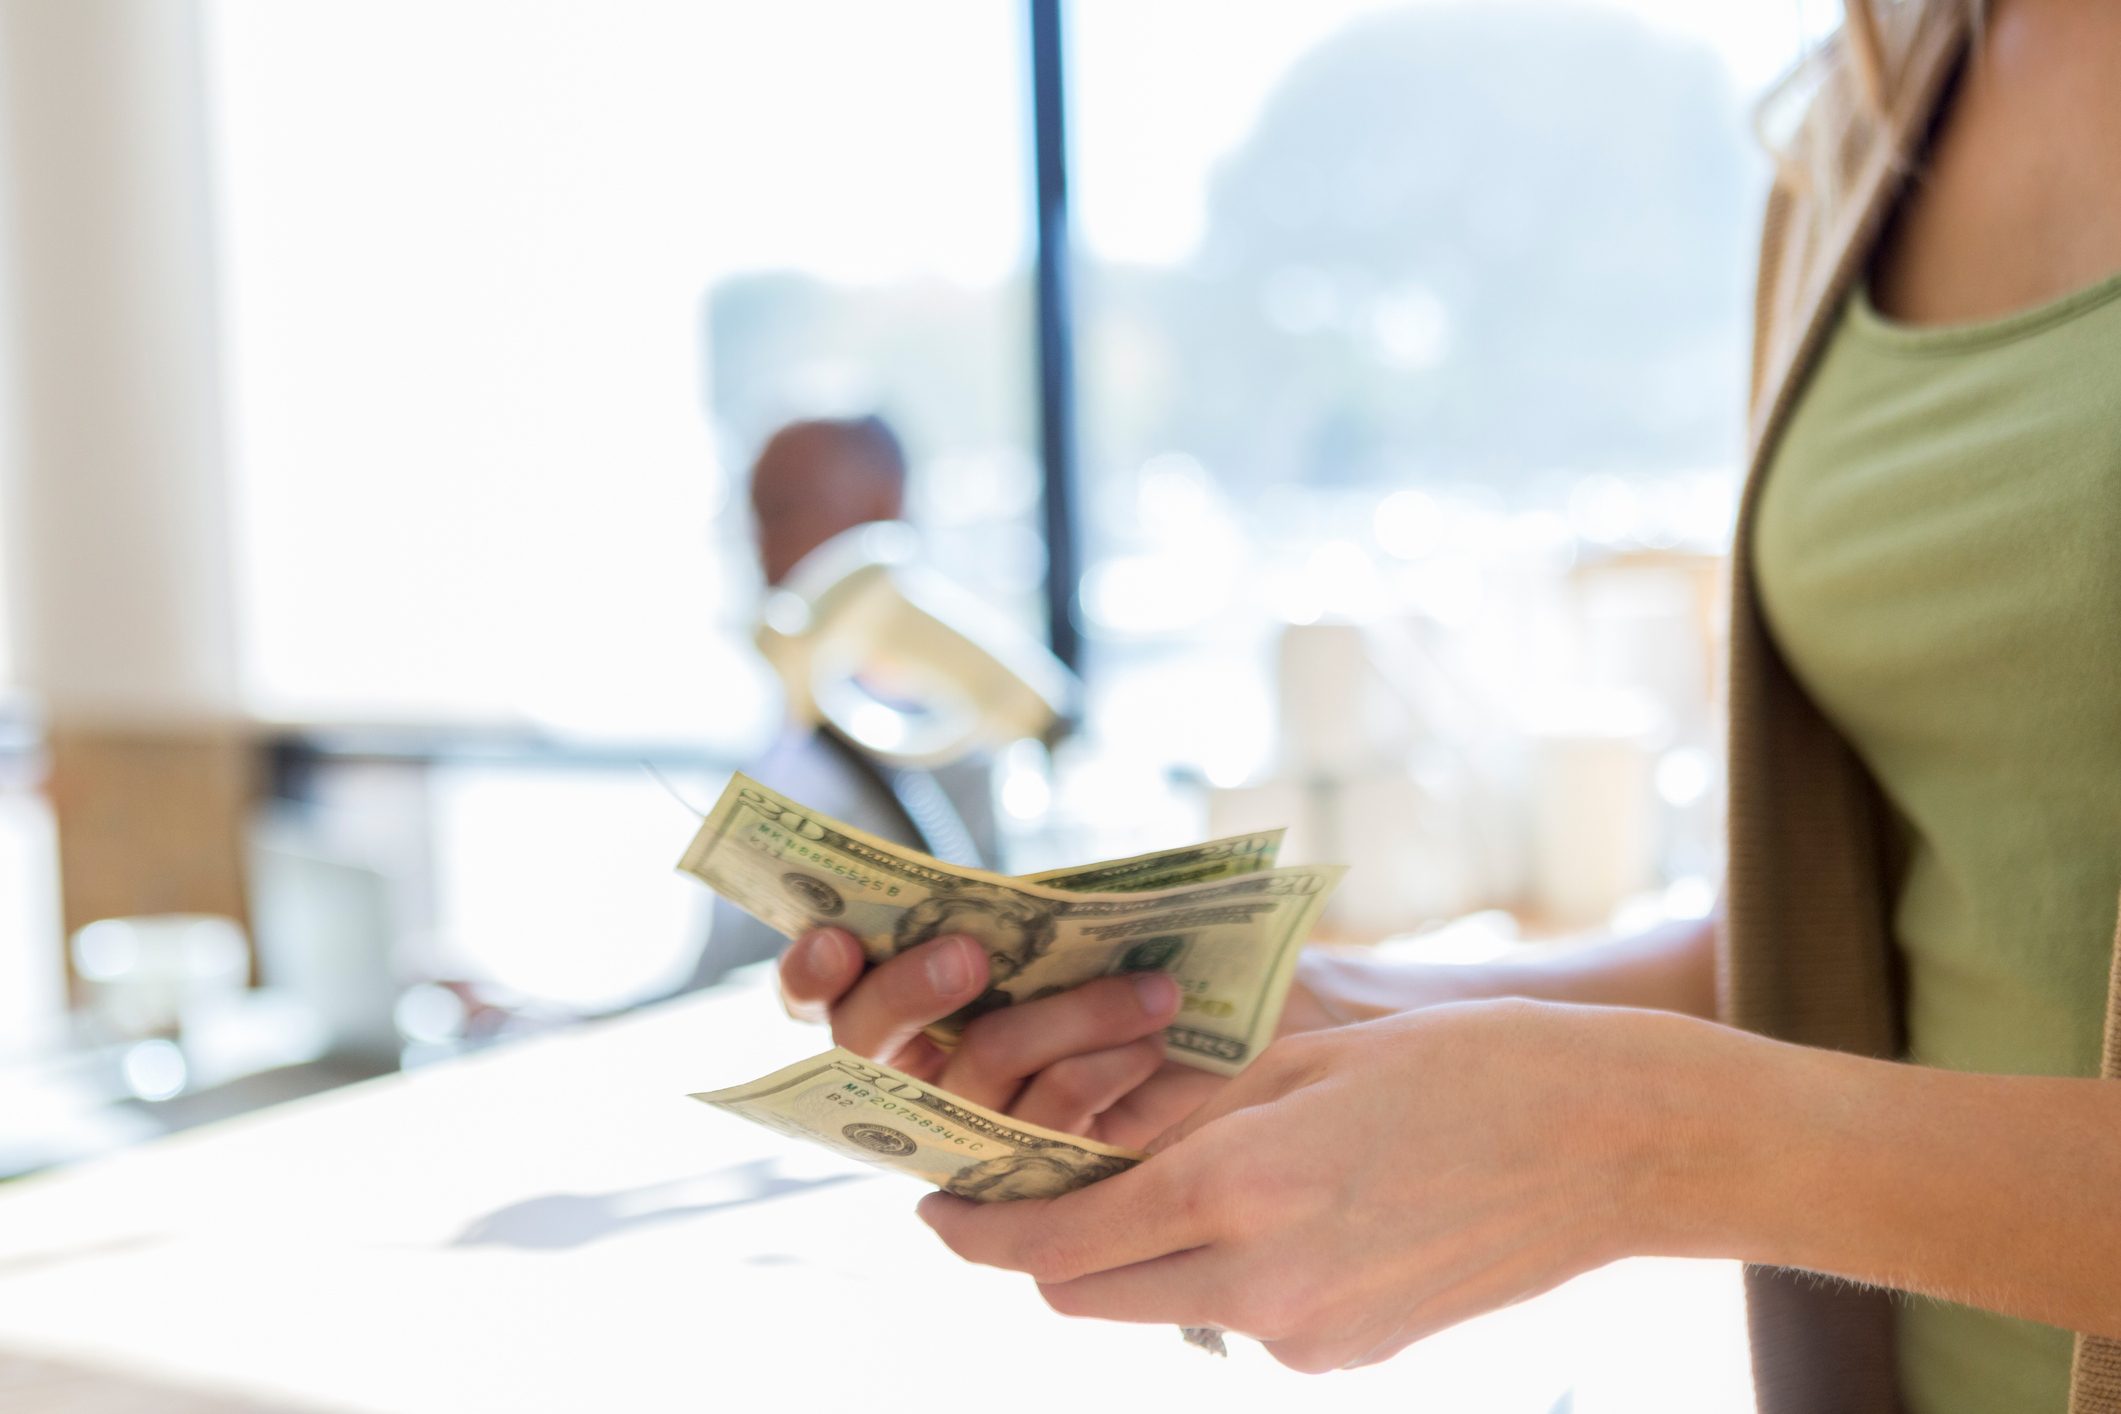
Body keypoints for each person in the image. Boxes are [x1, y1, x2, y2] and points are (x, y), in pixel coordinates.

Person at [770, 1, 2121, 1409]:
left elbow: (1719, 1105)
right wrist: (1319, 1013)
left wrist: (1636, 1142)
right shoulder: (1868, 103)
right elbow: (1881, 935)